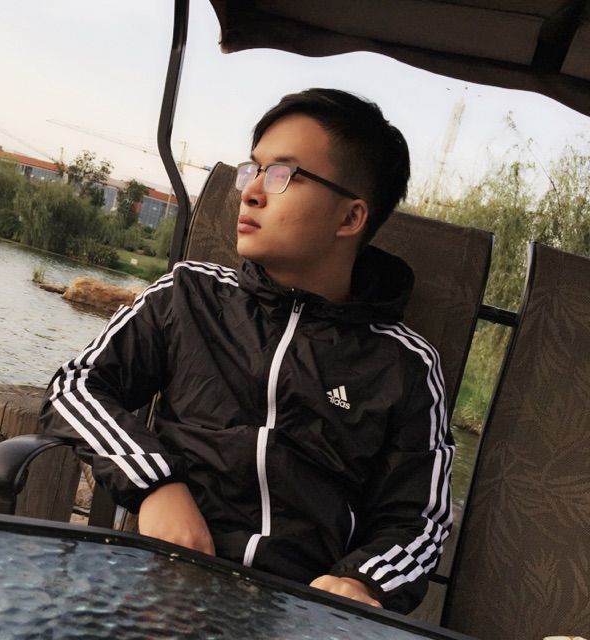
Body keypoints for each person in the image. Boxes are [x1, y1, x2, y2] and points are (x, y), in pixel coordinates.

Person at [40, 88, 453, 614]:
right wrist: (154, 484)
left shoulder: (405, 365)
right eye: (252, 169)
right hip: (158, 592)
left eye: (282, 175)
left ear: (350, 218)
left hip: (296, 615)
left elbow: (417, 519)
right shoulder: (188, 297)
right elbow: (76, 387)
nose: (252, 191)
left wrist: (363, 583)